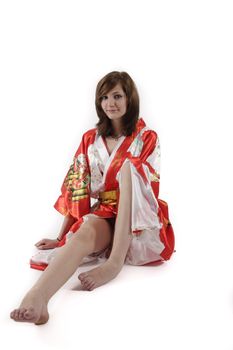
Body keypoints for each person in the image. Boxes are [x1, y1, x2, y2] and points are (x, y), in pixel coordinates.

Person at [10, 71, 175, 325]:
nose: (111, 103)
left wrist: (127, 172)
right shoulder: (90, 139)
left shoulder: (146, 137)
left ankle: (114, 263)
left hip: (137, 221)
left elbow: (148, 188)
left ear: (130, 99)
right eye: (105, 97)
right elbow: (77, 186)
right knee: (84, 232)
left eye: (117, 96)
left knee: (130, 168)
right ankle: (38, 297)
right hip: (106, 214)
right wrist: (60, 237)